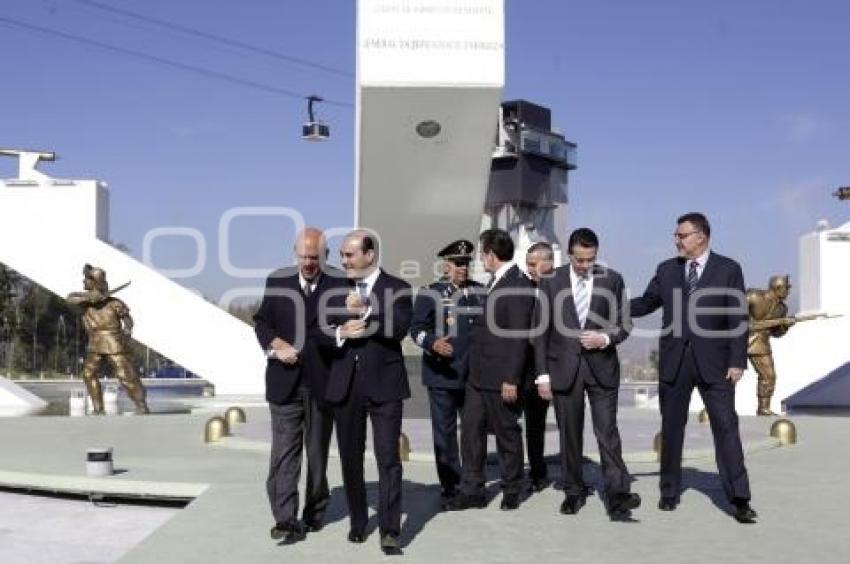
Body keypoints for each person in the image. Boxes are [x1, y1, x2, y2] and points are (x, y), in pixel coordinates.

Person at [629, 212, 757, 524]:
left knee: (726, 428)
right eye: (676, 235)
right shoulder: (666, 270)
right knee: (672, 430)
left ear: (701, 236)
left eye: (681, 235)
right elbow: (647, 302)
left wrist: (738, 361)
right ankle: (669, 491)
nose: (676, 240)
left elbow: (738, 318)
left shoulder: (728, 269)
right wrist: (608, 305)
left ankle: (739, 498)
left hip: (716, 364)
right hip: (674, 362)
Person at [532, 228, 640, 520]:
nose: (584, 265)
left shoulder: (613, 279)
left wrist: (604, 339)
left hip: (603, 369)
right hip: (563, 369)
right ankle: (573, 491)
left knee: (607, 432)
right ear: (569, 254)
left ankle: (617, 494)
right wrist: (542, 376)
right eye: (579, 260)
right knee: (569, 434)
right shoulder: (550, 282)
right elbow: (539, 331)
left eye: (590, 259)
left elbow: (624, 323)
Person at [323, 229, 413, 555]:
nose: (343, 260)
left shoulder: (398, 288)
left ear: (369, 254)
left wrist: (366, 310)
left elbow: (399, 328)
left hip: (385, 386)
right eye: (342, 254)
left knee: (388, 459)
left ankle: (390, 530)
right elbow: (319, 329)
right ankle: (358, 522)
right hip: (346, 386)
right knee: (350, 458)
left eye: (349, 254)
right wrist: (340, 331)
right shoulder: (333, 290)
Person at [253, 227, 342, 544]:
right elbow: (262, 322)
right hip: (284, 384)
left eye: (314, 257)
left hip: (322, 386)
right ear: (295, 254)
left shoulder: (340, 284)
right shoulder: (277, 282)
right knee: (284, 453)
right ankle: (285, 518)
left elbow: (345, 328)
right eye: (303, 256)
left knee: (317, 454)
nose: (308, 262)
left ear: (325, 256)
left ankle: (315, 512)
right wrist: (277, 343)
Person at [445, 228, 535, 511]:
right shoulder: (497, 281)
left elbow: (519, 336)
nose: (479, 259)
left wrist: (512, 379)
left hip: (501, 378)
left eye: (482, 254)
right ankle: (472, 490)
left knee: (507, 433)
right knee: (471, 432)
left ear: (491, 255)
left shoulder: (517, 284)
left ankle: (512, 488)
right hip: (478, 376)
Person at [410, 239, 483, 501]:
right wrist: (432, 343)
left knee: (474, 432)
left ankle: (473, 484)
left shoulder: (480, 292)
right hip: (442, 374)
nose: (463, 268)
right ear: (445, 266)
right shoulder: (430, 293)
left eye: (466, 263)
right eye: (458, 264)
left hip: (473, 376)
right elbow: (415, 329)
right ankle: (451, 486)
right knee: (445, 433)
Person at [66, 264, 149, 415]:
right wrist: (90, 298)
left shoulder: (114, 303)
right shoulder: (84, 301)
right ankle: (98, 408)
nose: (83, 281)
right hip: (95, 342)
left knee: (125, 374)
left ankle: (141, 405)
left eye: (87, 279)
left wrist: (127, 329)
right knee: (88, 374)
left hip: (113, 342)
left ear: (95, 282)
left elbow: (128, 320)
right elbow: (69, 298)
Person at [523, 242, 555, 492]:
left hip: (549, 367)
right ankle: (523, 472)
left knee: (538, 422)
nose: (530, 269)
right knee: (521, 424)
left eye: (535, 264)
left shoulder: (561, 289)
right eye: (528, 264)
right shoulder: (519, 289)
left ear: (550, 262)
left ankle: (540, 472)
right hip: (520, 367)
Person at [747, 275, 793, 416]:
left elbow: (776, 333)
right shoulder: (754, 296)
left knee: (769, 376)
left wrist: (785, 326)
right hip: (736, 340)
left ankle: (763, 408)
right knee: (727, 377)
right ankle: (716, 407)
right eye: (787, 288)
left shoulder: (781, 309)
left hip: (760, 345)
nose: (788, 292)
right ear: (778, 288)